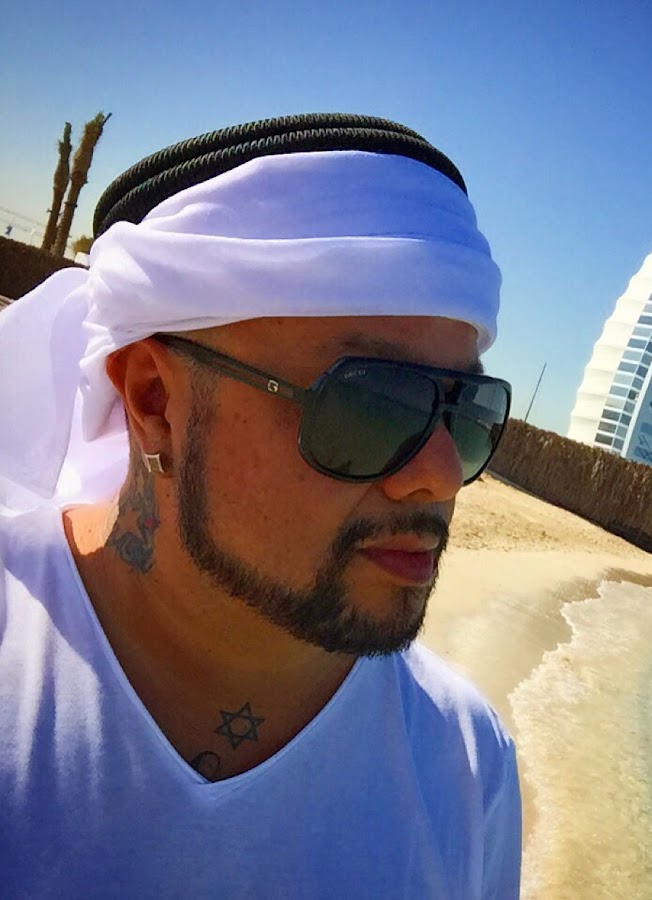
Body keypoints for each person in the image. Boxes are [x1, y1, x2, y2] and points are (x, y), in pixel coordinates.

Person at [0, 114, 521, 898]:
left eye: (465, 410)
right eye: (373, 402)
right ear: (153, 400)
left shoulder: (468, 768)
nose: (441, 477)